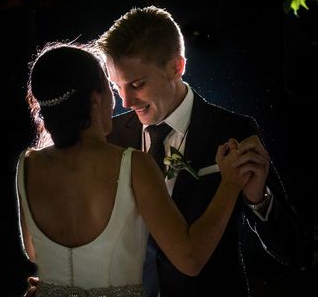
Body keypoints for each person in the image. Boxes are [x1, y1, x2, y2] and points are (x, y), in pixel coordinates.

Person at [16, 41, 259, 297]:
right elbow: (190, 258)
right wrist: (230, 184)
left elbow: (36, 251)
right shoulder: (132, 164)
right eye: (111, 88)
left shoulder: (28, 165)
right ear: (95, 97)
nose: (120, 101)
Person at [94, 6, 301, 297]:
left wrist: (259, 199)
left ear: (176, 67)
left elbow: (292, 250)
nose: (126, 101)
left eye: (137, 84)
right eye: (117, 88)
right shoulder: (108, 137)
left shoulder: (232, 131)